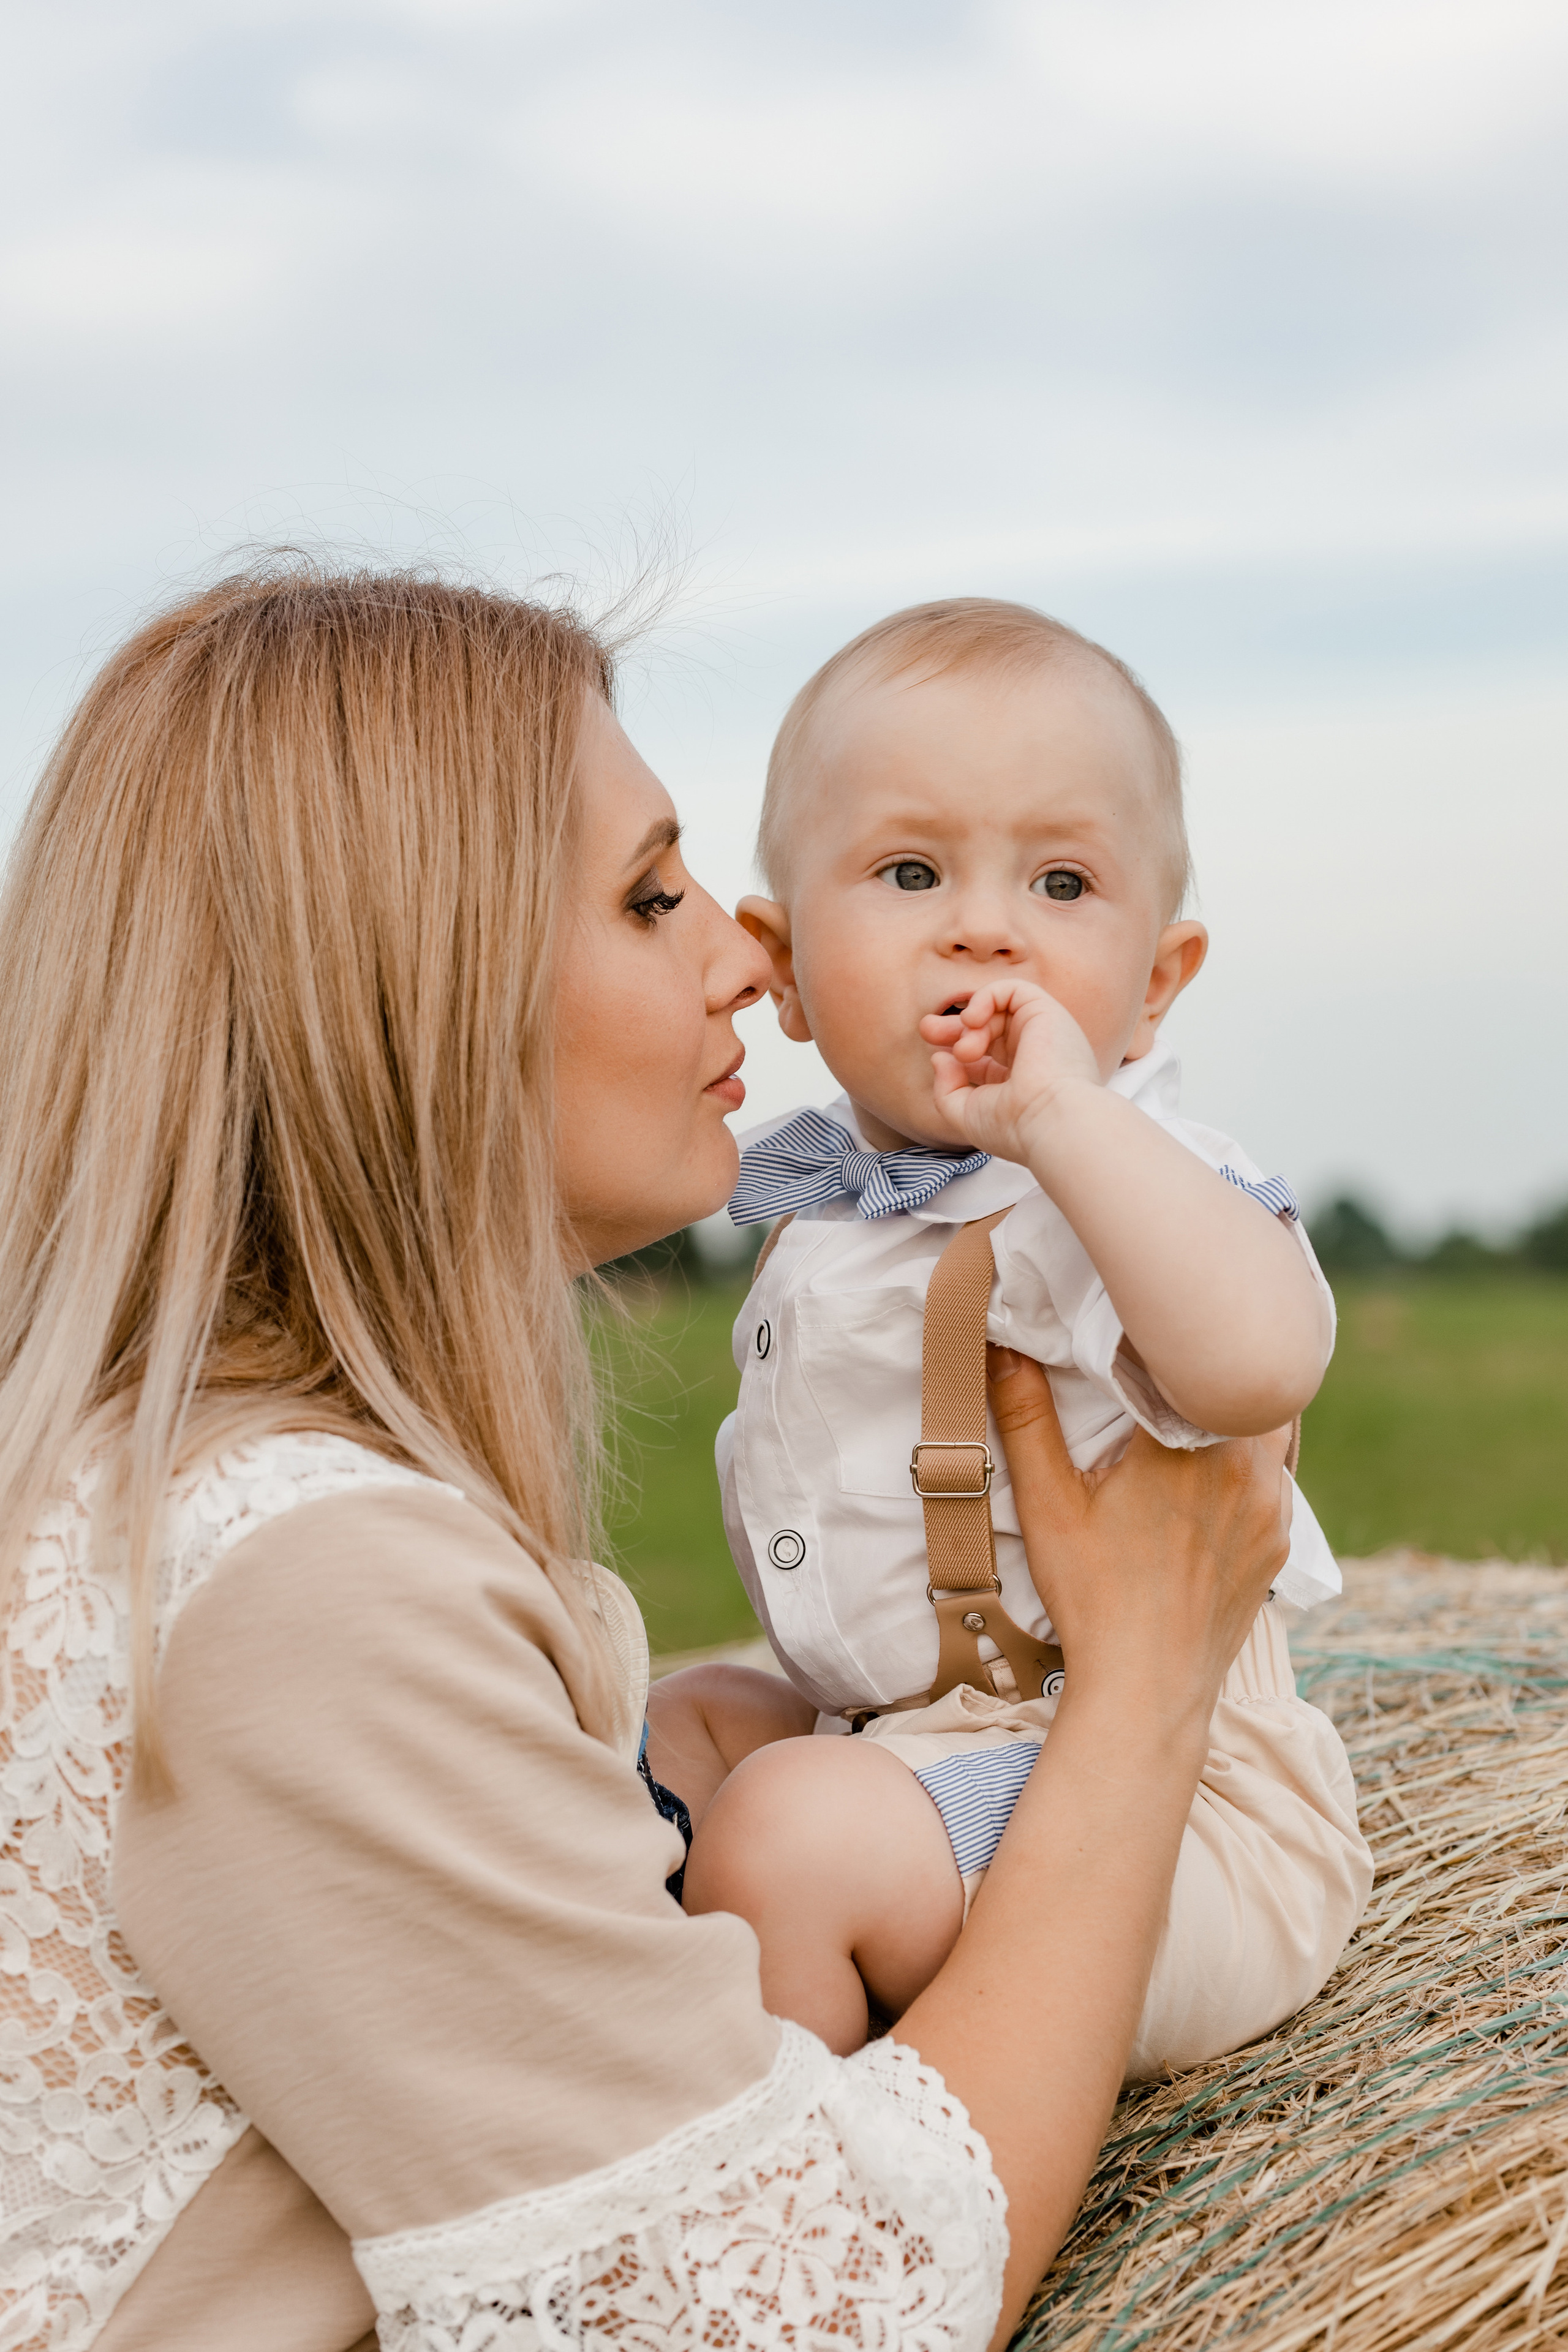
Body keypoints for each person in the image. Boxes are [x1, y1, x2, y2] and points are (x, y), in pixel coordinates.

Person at [1, 566, 1295, 2352]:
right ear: (417, 989)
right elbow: (811, 2319)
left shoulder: (172, 1504)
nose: (748, 959)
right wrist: (1147, 1683)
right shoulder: (308, 1582)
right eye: (649, 895)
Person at [650, 599, 1371, 2065]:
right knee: (664, 1733)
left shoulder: (1119, 1179)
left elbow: (1259, 1364)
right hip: (904, 1739)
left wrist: (1061, 1120)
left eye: (1059, 882)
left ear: (1154, 985)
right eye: (909, 872)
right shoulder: (813, 1188)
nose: (984, 928)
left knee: (784, 1832)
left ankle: (812, 2188)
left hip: (1161, 1805)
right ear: (780, 966)